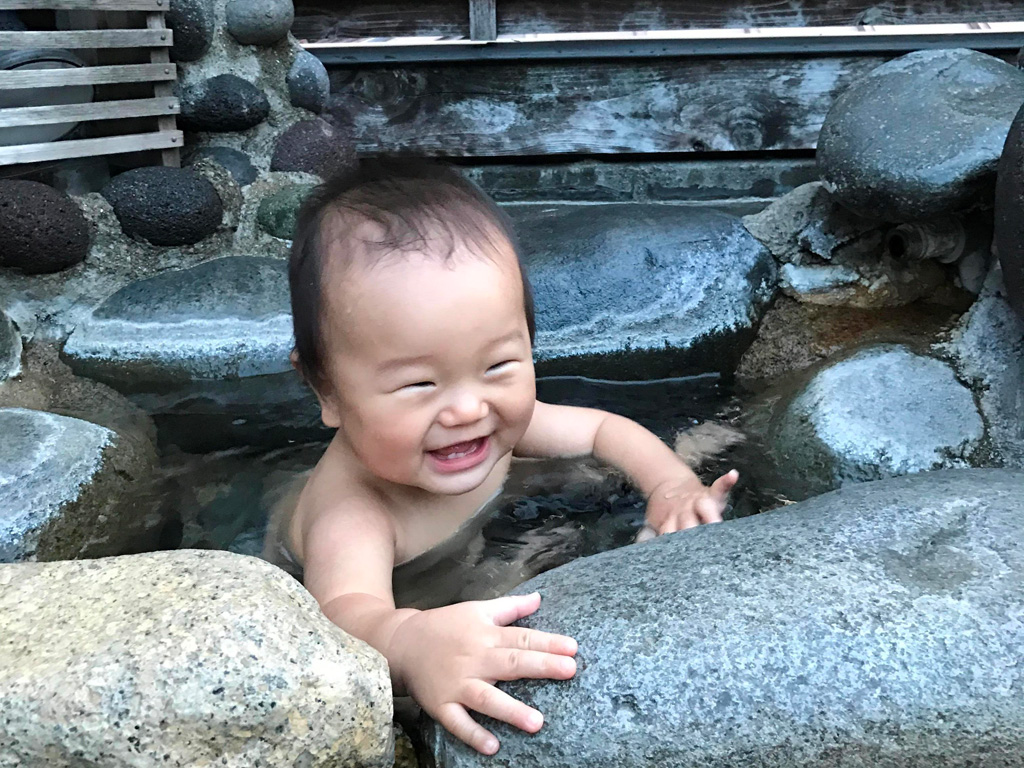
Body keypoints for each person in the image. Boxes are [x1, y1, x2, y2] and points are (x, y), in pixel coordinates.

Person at [264, 160, 738, 755]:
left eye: (498, 366)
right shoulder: (354, 511)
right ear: (325, 390)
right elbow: (345, 617)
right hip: (376, 569)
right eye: (418, 385)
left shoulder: (499, 424)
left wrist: (669, 482)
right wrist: (411, 642)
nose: (467, 409)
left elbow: (601, 430)